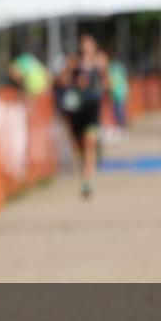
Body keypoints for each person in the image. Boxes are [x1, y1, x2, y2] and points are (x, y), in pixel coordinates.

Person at [54, 34, 107, 199]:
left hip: (92, 108)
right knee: (79, 147)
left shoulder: (100, 62)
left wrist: (102, 74)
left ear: (94, 46)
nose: (85, 48)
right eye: (83, 45)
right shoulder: (73, 62)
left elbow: (107, 84)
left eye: (88, 45)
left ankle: (87, 180)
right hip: (76, 110)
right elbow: (60, 82)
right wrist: (69, 70)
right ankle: (87, 165)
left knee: (89, 142)